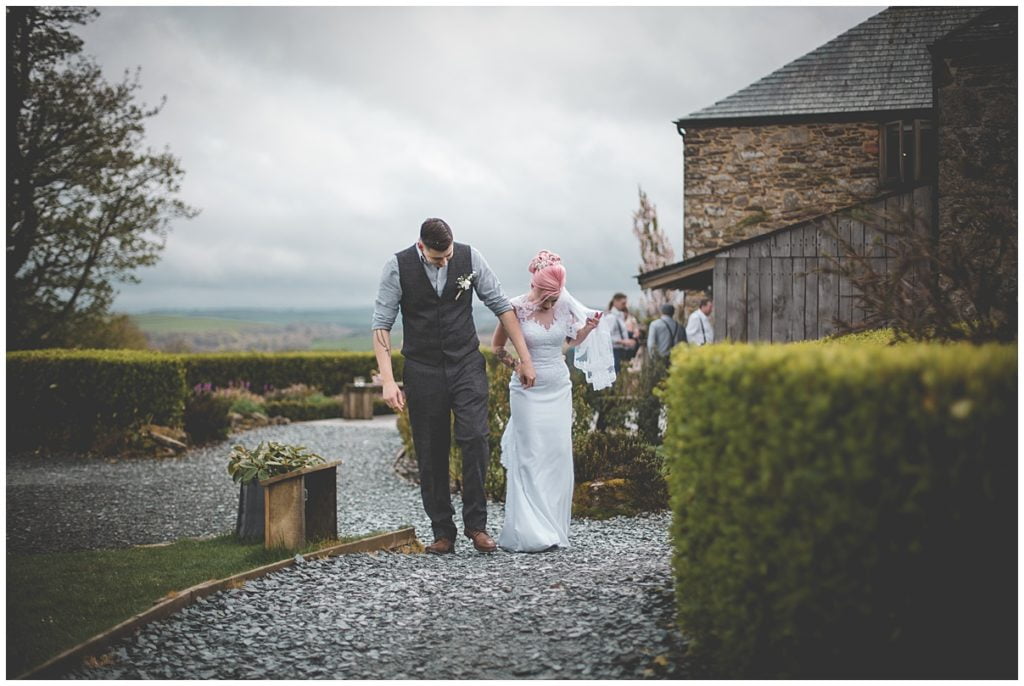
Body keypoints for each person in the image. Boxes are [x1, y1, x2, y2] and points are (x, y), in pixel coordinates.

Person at [372, 218, 537, 555]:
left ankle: (477, 526)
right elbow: (381, 324)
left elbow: (502, 306)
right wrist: (388, 381)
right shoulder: (397, 266)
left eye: (447, 255)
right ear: (421, 247)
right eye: (437, 258)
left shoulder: (470, 257)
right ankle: (442, 532)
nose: (445, 261)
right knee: (430, 449)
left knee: (475, 436)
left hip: (465, 364)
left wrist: (526, 358)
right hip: (423, 369)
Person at [491, 250, 614, 552]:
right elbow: (496, 348)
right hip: (527, 393)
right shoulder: (514, 308)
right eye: (547, 296)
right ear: (535, 286)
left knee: (557, 455)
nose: (551, 303)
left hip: (559, 388)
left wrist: (587, 329)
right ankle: (530, 530)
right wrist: (516, 365)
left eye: (555, 297)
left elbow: (569, 342)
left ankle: (553, 527)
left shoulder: (563, 305)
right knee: (531, 455)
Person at [607, 293, 638, 372]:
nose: (625, 305)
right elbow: (606, 337)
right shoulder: (611, 318)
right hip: (614, 352)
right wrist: (624, 342)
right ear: (615, 302)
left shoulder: (619, 317)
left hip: (620, 351)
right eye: (623, 303)